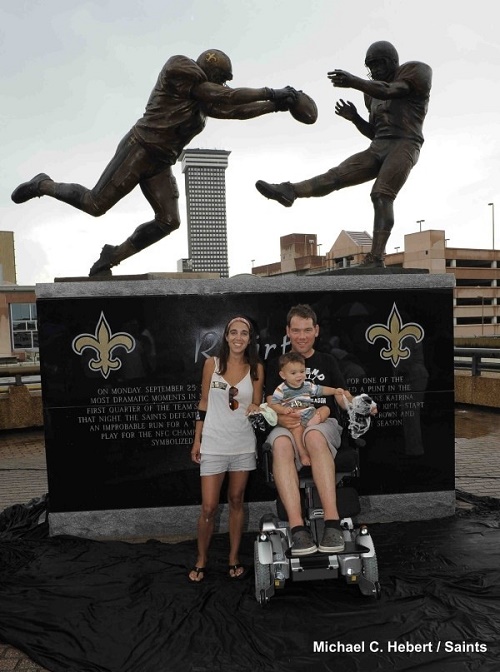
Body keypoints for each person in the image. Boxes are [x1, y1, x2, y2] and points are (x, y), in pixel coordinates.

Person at [11, 49, 299, 277]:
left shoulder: (202, 101)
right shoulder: (180, 68)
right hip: (139, 149)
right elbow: (228, 96)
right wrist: (271, 93)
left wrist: (276, 106)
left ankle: (113, 255)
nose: (223, 84)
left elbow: (236, 109)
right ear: (211, 72)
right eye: (222, 77)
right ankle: (43, 184)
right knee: (95, 204)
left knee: (168, 220)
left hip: (161, 162)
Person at [256, 41, 432, 268]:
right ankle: (290, 191)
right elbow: (374, 133)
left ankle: (376, 257)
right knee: (336, 175)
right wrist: (355, 118)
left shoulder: (415, 72)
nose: (375, 70)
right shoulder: (371, 96)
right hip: (379, 145)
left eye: (378, 63)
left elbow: (390, 90)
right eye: (371, 66)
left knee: (381, 194)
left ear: (392, 62)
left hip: (406, 144)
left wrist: (353, 82)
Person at [265, 304, 376, 557]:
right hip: (287, 422)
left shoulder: (328, 361)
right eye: (296, 330)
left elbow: (340, 395)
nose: (301, 336)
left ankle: (332, 524)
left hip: (321, 423)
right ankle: (297, 529)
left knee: (314, 435)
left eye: (307, 330)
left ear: (316, 330)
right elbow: (269, 402)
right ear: (287, 332)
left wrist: (358, 406)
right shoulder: (277, 365)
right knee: (280, 445)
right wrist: (283, 418)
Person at [189, 316, 264, 582]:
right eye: (234, 332)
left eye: (244, 333)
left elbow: (257, 404)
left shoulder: (256, 367)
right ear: (226, 336)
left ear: (249, 338)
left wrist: (259, 408)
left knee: (236, 500)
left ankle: (233, 558)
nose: (238, 338)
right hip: (213, 443)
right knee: (209, 507)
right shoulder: (212, 364)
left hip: (242, 444)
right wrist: (197, 440)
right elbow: (204, 402)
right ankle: (201, 559)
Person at [269, 351, 346, 467]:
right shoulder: (281, 389)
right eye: (293, 373)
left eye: (302, 371)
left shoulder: (307, 385)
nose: (299, 375)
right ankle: (302, 453)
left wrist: (335, 391)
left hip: (310, 413)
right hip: (296, 417)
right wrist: (283, 410)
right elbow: (273, 404)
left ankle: (316, 420)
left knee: (326, 409)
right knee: (297, 430)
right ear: (283, 375)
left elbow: (322, 390)